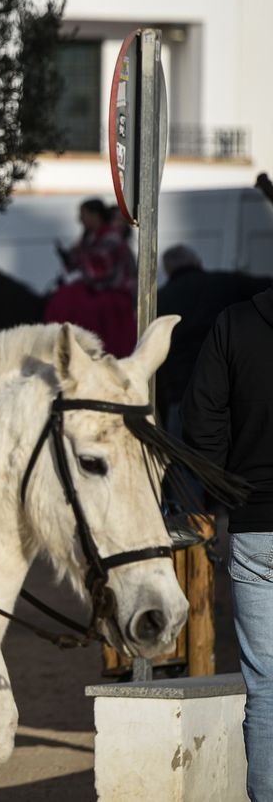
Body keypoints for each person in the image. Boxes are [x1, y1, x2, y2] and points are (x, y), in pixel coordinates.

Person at [181, 283, 273, 799]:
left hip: (257, 525)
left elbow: (202, 423)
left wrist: (219, 497)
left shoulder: (234, 324)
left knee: (266, 690)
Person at [157, 244, 272, 431]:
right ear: (197, 262)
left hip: (181, 394)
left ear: (168, 271)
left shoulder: (159, 299)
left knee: (180, 456)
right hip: (224, 390)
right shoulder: (224, 283)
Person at [46, 199, 137, 356]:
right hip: (100, 289)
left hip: (114, 292)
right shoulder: (91, 237)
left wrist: (80, 261)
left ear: (95, 216)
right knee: (64, 297)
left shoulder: (110, 238)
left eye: (83, 215)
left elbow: (98, 271)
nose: (80, 220)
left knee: (70, 301)